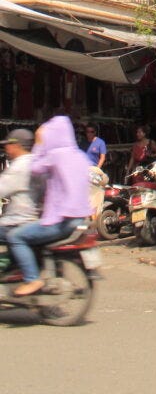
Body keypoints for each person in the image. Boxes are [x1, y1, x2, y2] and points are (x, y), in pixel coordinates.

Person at [7, 115, 91, 296]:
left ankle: (31, 279)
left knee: (16, 237)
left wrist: (38, 143)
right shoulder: (80, 156)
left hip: (61, 220)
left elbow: (35, 168)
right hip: (79, 219)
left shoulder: (56, 155)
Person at [0, 130, 41, 243]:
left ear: (16, 145)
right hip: (32, 220)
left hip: (16, 222)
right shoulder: (36, 162)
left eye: (8, 145)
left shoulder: (19, 166)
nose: (6, 148)